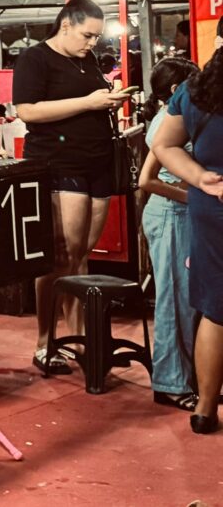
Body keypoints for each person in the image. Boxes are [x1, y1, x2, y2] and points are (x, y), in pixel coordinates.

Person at [12, 0, 131, 375]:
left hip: (97, 162)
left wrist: (107, 102)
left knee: (81, 256)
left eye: (97, 37)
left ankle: (80, 340)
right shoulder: (35, 58)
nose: (92, 43)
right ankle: (45, 342)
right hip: (58, 163)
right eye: (87, 35)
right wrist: (87, 103)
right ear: (66, 25)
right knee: (60, 256)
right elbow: (27, 110)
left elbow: (89, 102)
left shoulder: (88, 60)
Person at [152, 39, 223, 434]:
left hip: (211, 206)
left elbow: (164, 144)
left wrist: (201, 178)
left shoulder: (195, 89)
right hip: (210, 203)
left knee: (216, 308)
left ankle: (205, 408)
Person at [139, 57, 200, 412]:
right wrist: (194, 195)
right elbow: (146, 181)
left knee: (190, 300)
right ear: (177, 90)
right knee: (174, 300)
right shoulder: (166, 122)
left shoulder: (179, 116)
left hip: (182, 215)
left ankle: (191, 377)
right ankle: (171, 383)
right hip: (170, 214)